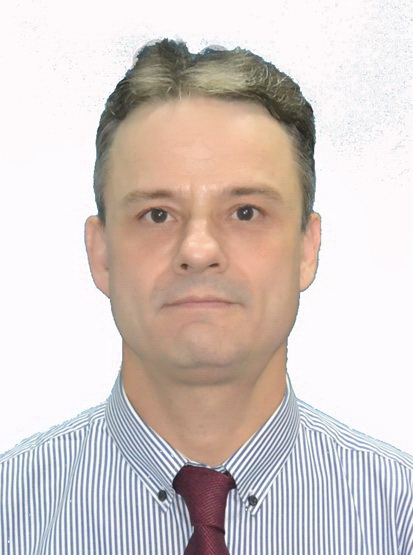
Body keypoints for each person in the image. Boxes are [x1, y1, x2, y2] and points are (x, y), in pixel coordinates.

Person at [0, 38, 412, 555]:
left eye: (245, 212)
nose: (197, 250)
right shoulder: (10, 515)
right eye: (157, 214)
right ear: (100, 253)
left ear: (307, 249)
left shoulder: (399, 516)